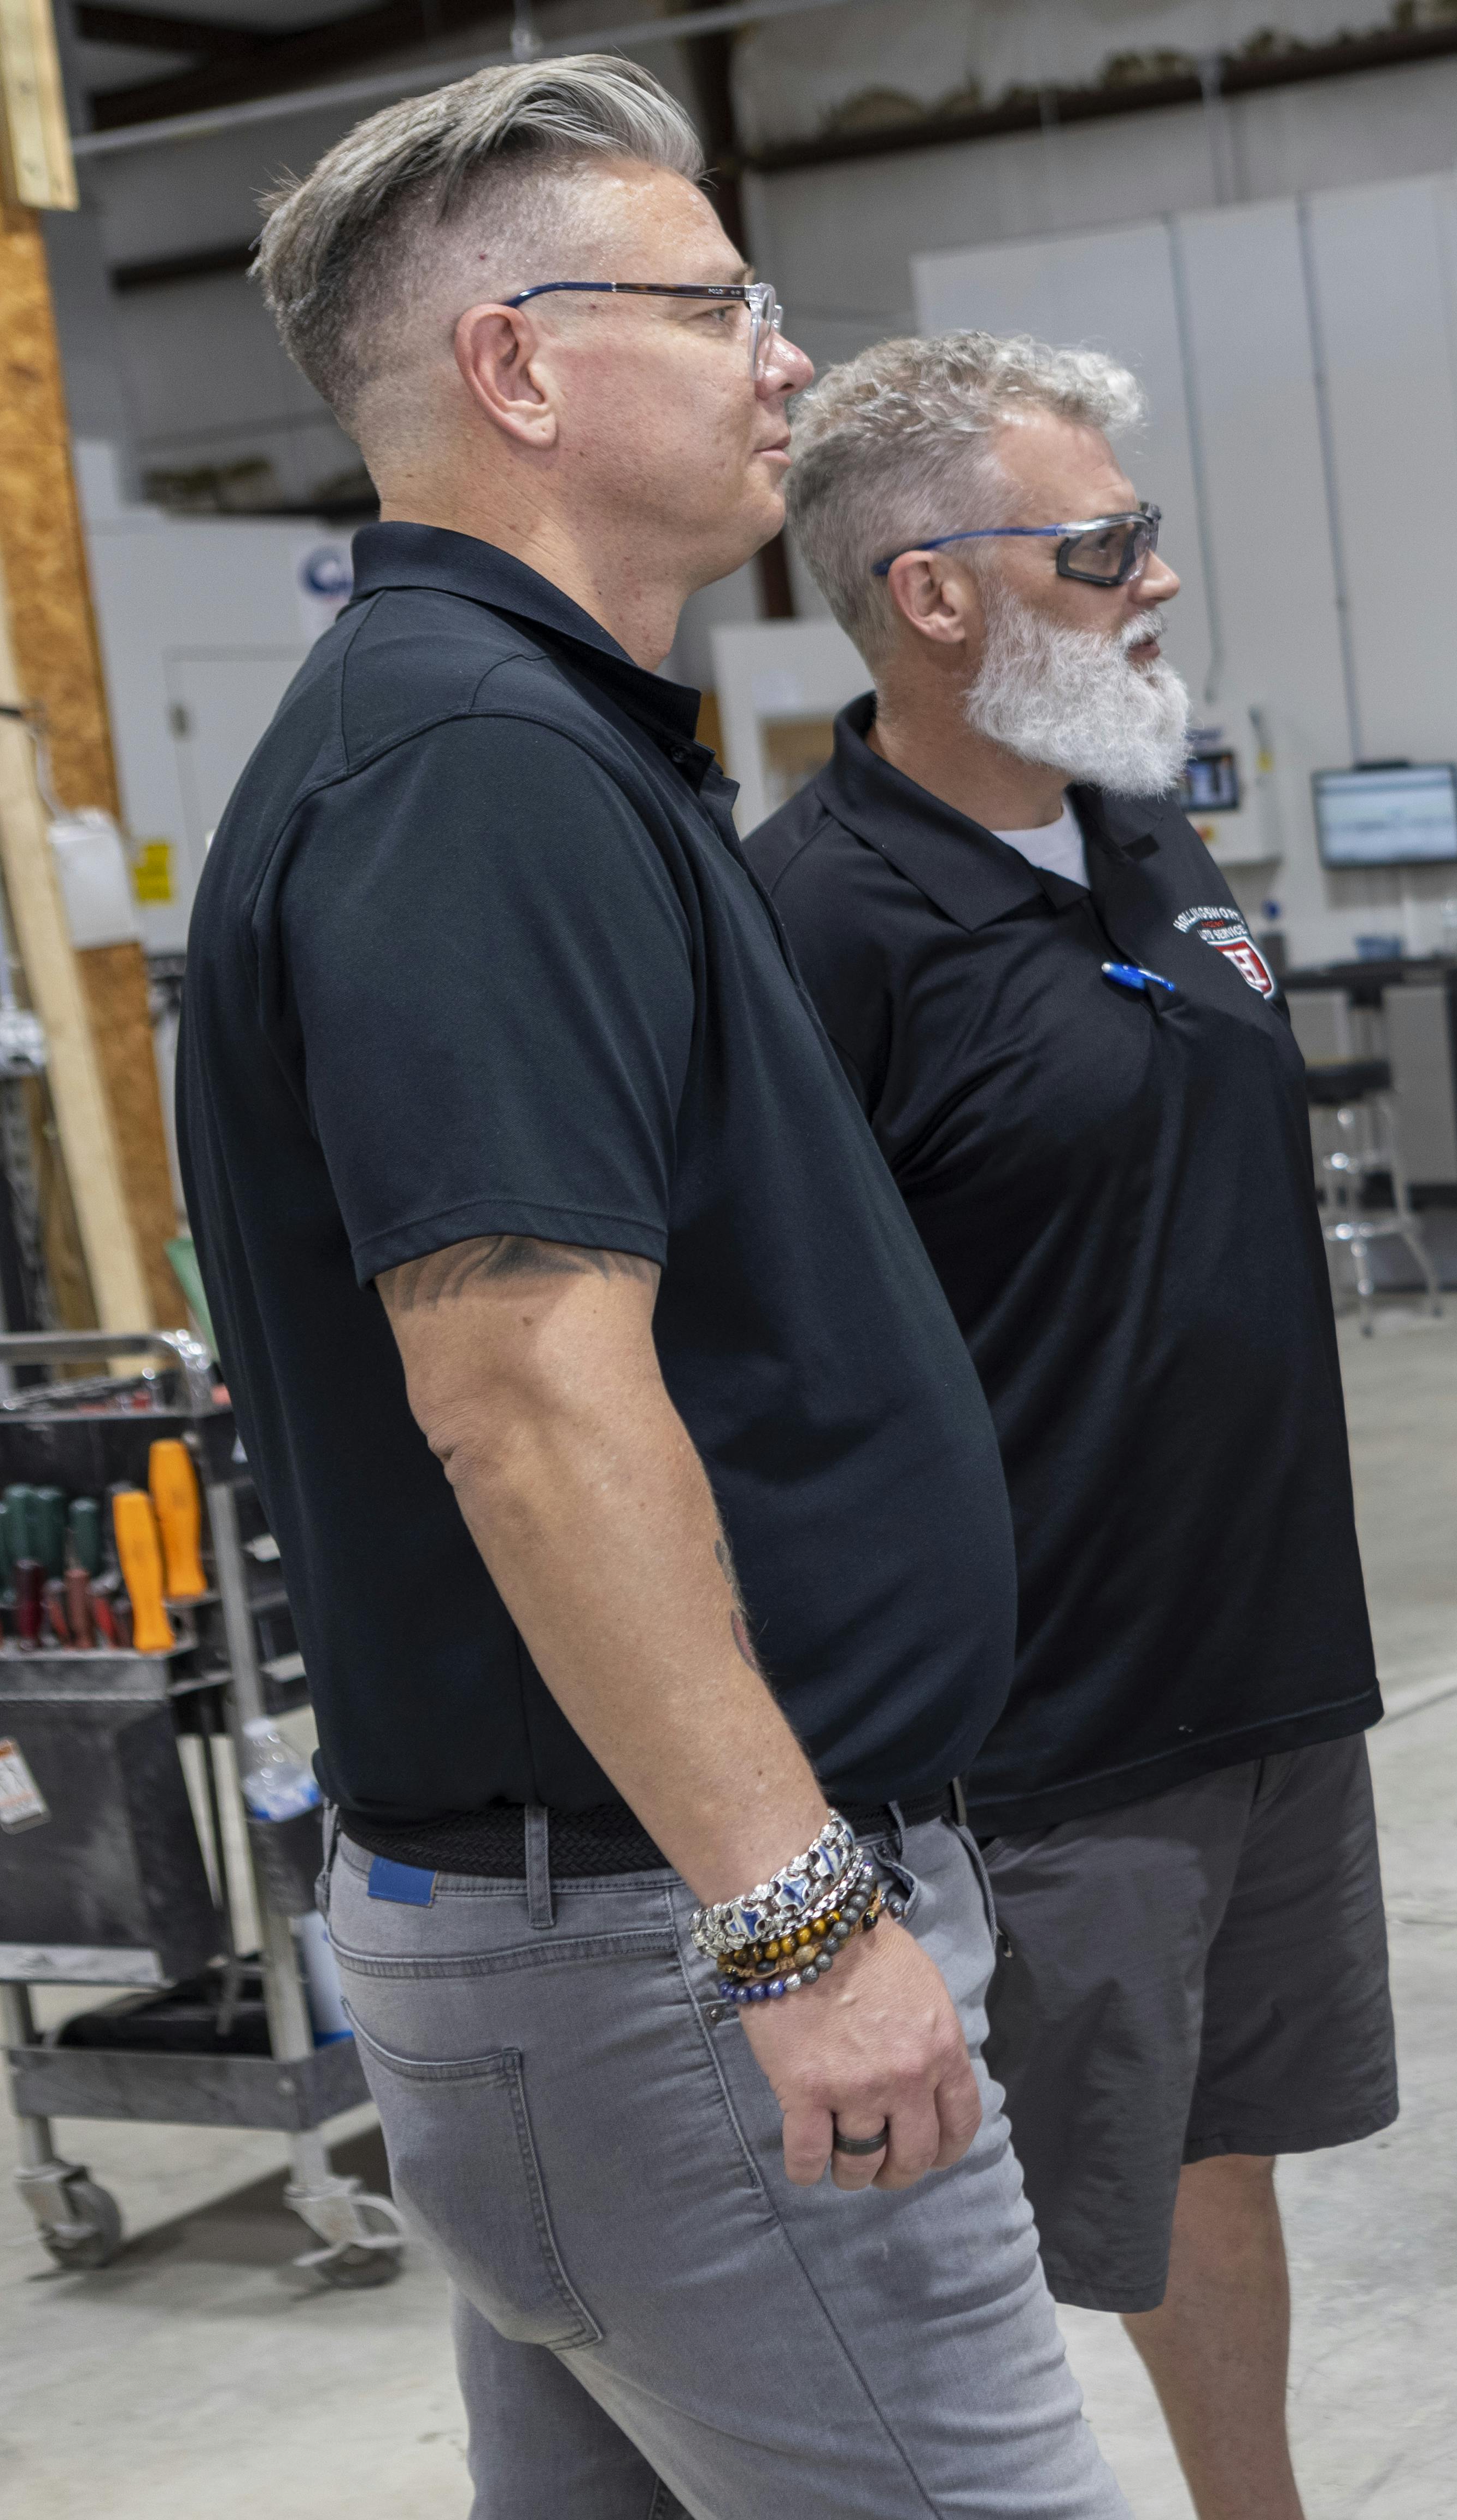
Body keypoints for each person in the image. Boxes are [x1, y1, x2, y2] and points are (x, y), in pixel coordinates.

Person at [179, 60, 1122, 2515]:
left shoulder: (525, 744)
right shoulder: (468, 772)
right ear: (514, 367)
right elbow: (521, 1393)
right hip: (667, 1954)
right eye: (714, 308)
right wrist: (798, 1927)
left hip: (608, 1941)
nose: (783, 358)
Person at [747, 333, 1395, 2520]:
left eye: (1145, 534)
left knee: (1216, 2159)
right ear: (933, 593)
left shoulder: (1141, 830)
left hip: (1265, 1674)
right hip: (1042, 1740)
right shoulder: (816, 926)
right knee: (988, 2226)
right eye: (1104, 545)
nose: (1160, 580)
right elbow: (759, 1370)